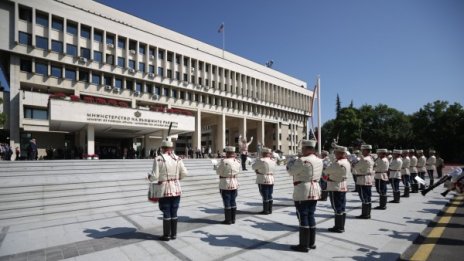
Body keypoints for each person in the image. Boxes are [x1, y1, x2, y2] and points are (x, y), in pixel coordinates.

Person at [287, 140, 323, 252]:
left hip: (303, 190)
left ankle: (303, 245)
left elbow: (291, 172)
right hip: (315, 188)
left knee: (303, 216)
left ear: (307, 149)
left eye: (303, 149)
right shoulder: (319, 160)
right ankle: (311, 243)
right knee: (311, 215)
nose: (302, 151)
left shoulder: (302, 160)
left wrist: (290, 162)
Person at [149, 140, 188, 241]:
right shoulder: (178, 158)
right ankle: (173, 234)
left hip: (164, 188)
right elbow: (185, 173)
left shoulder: (158, 159)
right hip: (176, 187)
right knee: (174, 211)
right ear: (172, 148)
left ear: (162, 148)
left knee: (166, 211)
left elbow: (154, 177)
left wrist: (149, 177)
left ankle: (166, 235)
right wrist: (177, 178)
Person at [325, 145, 350, 233]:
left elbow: (326, 171)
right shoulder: (346, 161)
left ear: (340, 153)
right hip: (342, 185)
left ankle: (339, 227)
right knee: (342, 207)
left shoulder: (338, 163)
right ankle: (340, 226)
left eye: (336, 153)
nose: (335, 154)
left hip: (335, 186)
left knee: (337, 207)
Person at [216, 146, 241, 225]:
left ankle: (228, 220)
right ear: (233, 153)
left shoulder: (224, 161)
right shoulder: (237, 161)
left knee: (227, 201)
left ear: (227, 153)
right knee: (233, 201)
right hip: (234, 182)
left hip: (225, 182)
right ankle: (233, 219)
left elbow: (218, 172)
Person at [252, 147, 277, 215]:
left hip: (263, 179)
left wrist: (258, 170)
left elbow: (253, 167)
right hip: (271, 178)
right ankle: (270, 209)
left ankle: (266, 210)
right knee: (269, 195)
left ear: (263, 153)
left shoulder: (261, 160)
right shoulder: (273, 160)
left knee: (264, 195)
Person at [353, 144, 374, 219]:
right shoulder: (370, 158)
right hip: (367, 178)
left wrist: (354, 163)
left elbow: (356, 166)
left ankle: (365, 214)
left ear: (366, 151)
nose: (362, 152)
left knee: (364, 197)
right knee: (367, 197)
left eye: (363, 150)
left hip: (363, 179)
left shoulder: (365, 159)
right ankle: (367, 213)